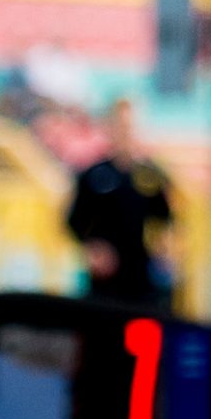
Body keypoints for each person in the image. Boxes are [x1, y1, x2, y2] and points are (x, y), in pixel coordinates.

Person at [64, 99, 177, 310]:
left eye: (130, 127)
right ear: (109, 128)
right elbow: (73, 222)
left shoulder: (150, 175)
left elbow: (165, 219)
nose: (126, 133)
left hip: (141, 276)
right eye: (120, 126)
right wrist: (93, 250)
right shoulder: (94, 175)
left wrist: (164, 250)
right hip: (105, 279)